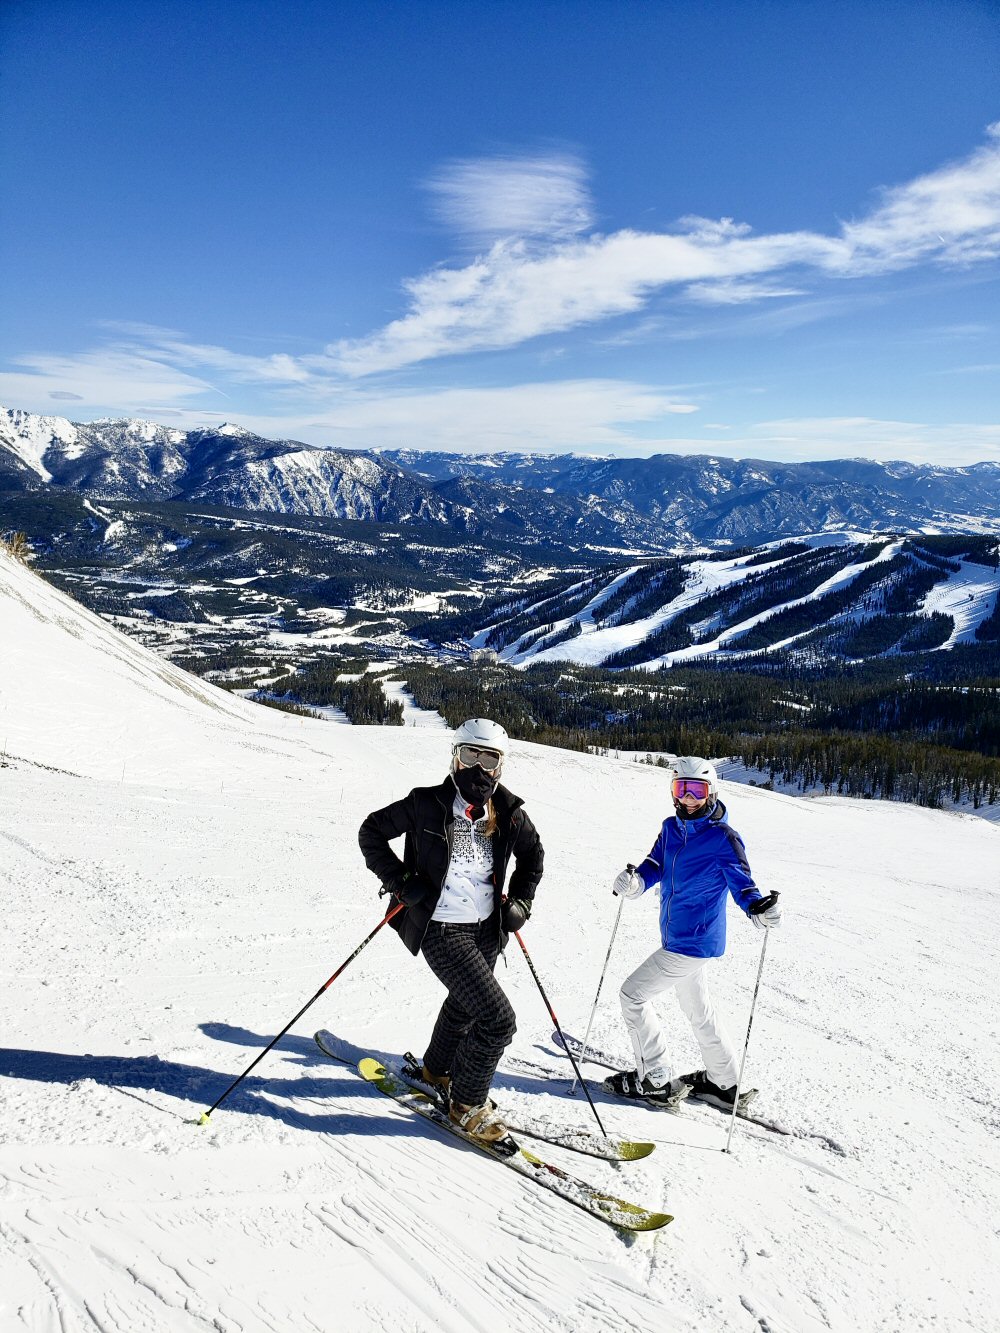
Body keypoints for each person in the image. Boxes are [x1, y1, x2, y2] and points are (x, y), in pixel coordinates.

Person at [358, 718, 544, 1144]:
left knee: (465, 1005)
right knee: (498, 1020)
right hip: (440, 927)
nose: (478, 770)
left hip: (486, 930)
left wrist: (521, 902)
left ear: (501, 767)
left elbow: (533, 857)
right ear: (455, 757)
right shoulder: (426, 804)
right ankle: (466, 1104)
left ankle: (436, 1071)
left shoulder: (510, 813)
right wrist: (401, 880)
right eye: (470, 756)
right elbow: (371, 832)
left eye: (489, 759)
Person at [604, 756, 782, 1110]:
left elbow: (742, 882)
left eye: (696, 790)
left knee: (632, 996)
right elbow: (655, 864)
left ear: (711, 792)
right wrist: (636, 881)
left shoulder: (722, 838)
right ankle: (723, 1082)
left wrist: (757, 909)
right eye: (680, 788)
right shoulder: (671, 828)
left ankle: (654, 1079)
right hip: (678, 940)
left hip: (693, 943)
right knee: (698, 1009)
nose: (688, 798)